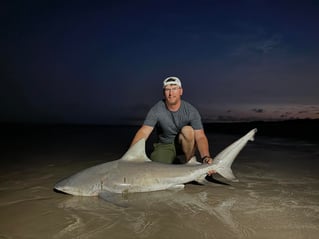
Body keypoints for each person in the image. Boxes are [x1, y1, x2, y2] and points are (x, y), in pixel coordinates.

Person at [130, 76, 214, 168]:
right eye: (167, 90)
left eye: (174, 89)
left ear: (181, 91)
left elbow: (200, 136)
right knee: (156, 168)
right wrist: (131, 156)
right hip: (165, 145)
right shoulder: (156, 109)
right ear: (164, 92)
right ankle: (171, 158)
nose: (171, 93)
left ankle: (189, 162)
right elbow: (144, 131)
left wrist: (205, 157)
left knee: (188, 130)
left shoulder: (191, 111)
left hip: (184, 144)